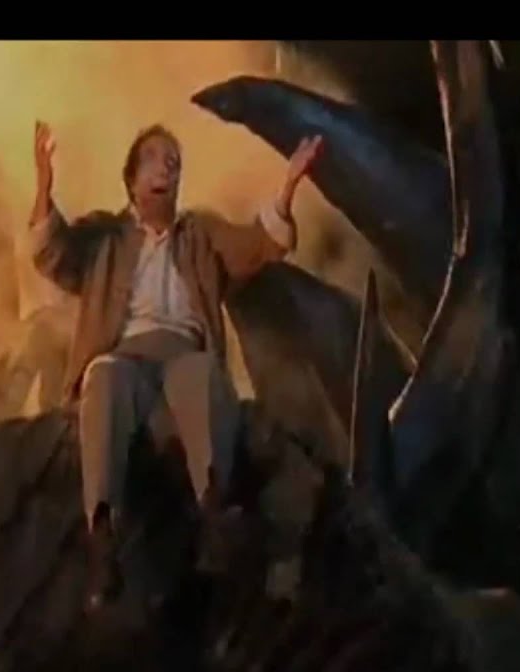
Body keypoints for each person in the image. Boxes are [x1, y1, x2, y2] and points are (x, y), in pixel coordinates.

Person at [28, 121, 323, 610]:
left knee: (202, 373)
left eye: (173, 162)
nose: (165, 169)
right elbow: (51, 251)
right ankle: (102, 535)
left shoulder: (200, 233)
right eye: (153, 159)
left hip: (183, 350)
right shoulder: (106, 235)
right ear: (131, 180)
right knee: (103, 377)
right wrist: (43, 185)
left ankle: (214, 515)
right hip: (124, 354)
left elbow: (258, 244)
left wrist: (289, 185)